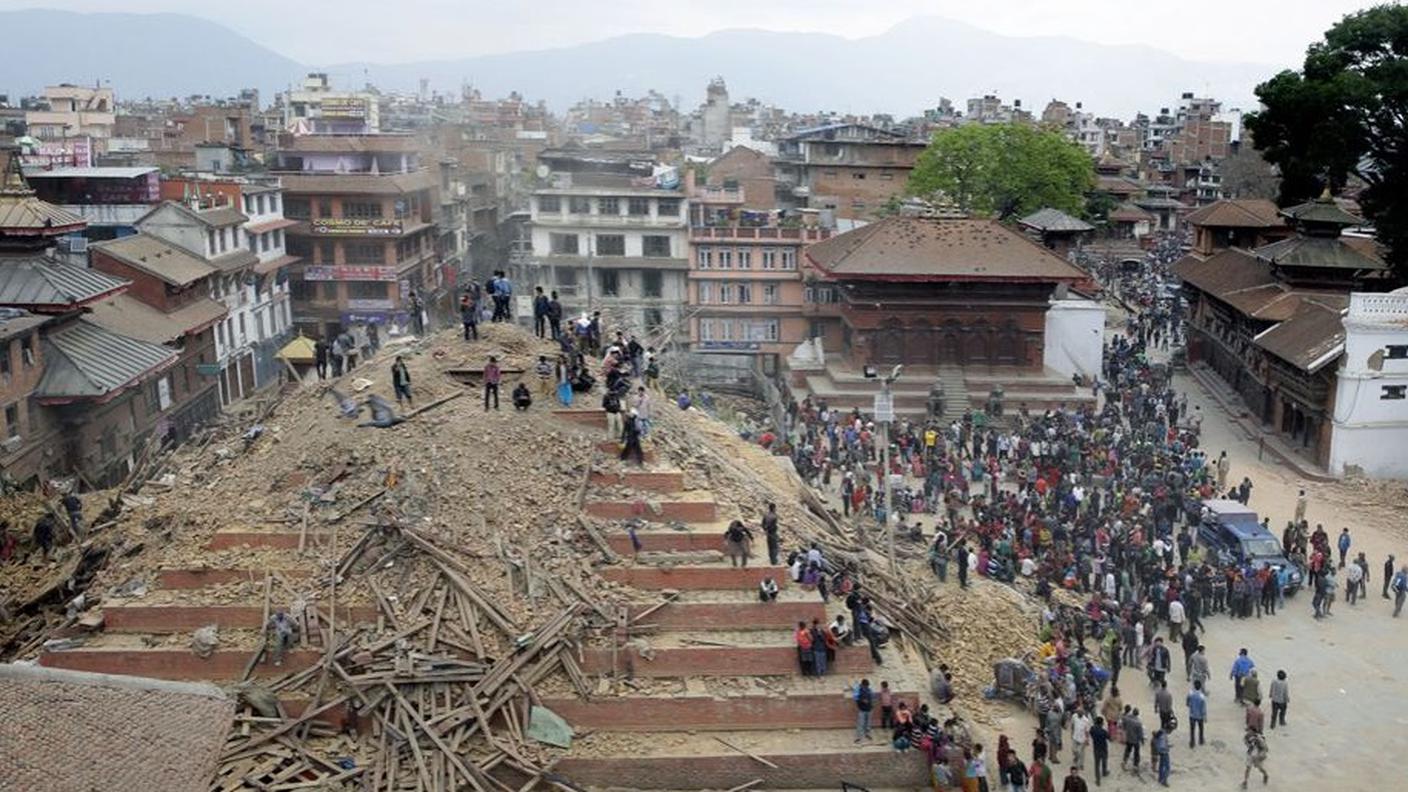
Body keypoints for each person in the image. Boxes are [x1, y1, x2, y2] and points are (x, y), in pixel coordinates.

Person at [1088, 717, 1109, 786]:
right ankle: (1104, 772)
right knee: (1104, 761)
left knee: (1097, 765)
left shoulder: (1092, 729)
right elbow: (1109, 737)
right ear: (1102, 723)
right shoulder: (1104, 732)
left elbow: (1090, 733)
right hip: (1103, 748)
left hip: (1096, 749)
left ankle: (1098, 780)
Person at [1185, 680, 1206, 748]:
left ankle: (1192, 742)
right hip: (1200, 716)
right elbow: (1203, 708)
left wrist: (1189, 705)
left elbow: (1187, 702)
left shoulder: (1190, 694)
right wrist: (1204, 716)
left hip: (1192, 714)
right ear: (1200, 687)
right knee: (1201, 729)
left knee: (1192, 730)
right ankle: (1201, 740)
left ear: (1194, 686)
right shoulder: (1202, 696)